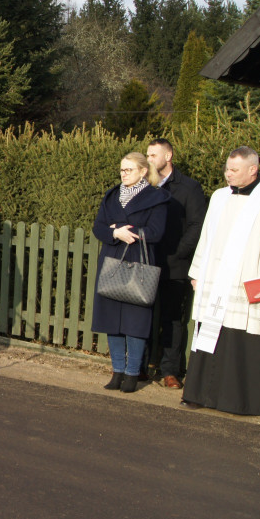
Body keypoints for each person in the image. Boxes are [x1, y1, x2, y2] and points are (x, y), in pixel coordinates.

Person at [183, 146, 260, 416]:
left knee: (241, 339)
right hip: (216, 280)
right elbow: (206, 236)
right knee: (209, 336)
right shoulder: (220, 197)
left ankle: (239, 401)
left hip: (248, 280)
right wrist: (198, 271)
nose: (227, 174)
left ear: (252, 170)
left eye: (234, 170)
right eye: (227, 169)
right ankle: (200, 394)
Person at [91, 152, 169, 393]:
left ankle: (133, 374)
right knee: (111, 321)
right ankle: (117, 372)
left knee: (136, 321)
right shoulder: (112, 195)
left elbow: (156, 232)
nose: (123, 174)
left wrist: (126, 230)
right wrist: (114, 233)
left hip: (138, 262)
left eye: (129, 170)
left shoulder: (157, 197)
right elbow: (98, 226)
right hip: (112, 260)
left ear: (143, 171)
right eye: (122, 170)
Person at [146, 138, 207, 388]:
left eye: (153, 155)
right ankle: (141, 365)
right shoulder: (144, 185)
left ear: (168, 156)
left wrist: (179, 252)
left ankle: (170, 370)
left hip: (175, 264)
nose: (148, 159)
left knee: (172, 317)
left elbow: (196, 225)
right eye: (147, 155)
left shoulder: (189, 187)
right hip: (147, 261)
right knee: (144, 314)